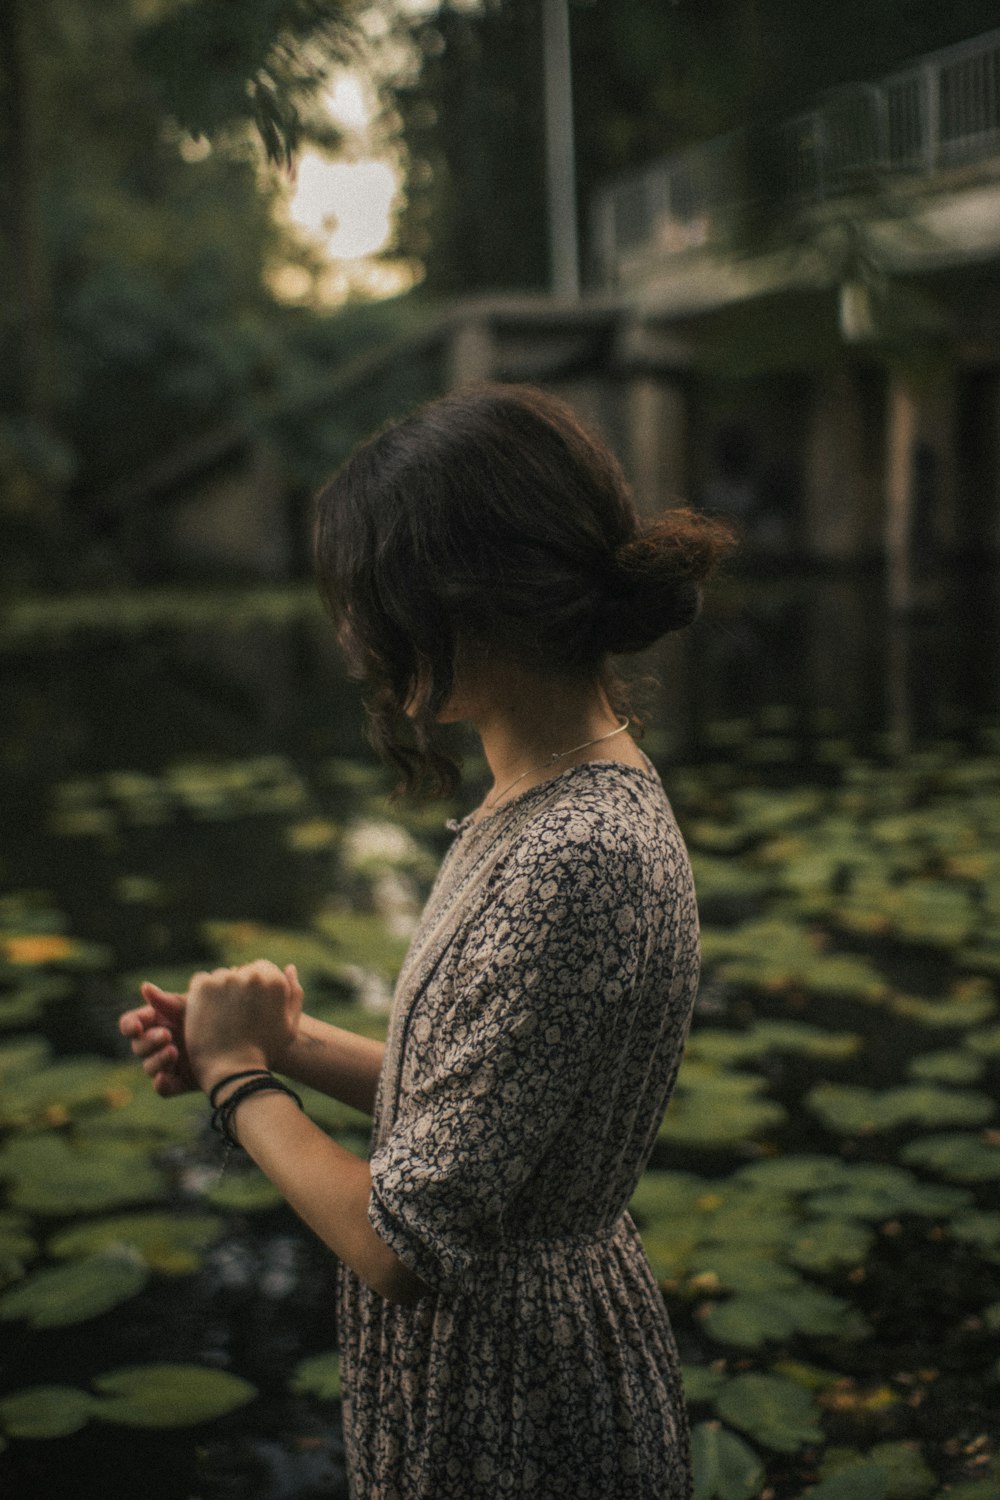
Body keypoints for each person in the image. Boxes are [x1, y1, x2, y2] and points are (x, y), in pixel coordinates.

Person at [119, 383, 734, 1500]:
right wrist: (294, 1044)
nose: (356, 635)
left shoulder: (575, 852)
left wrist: (235, 1081)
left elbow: (399, 1242)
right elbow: (484, 1112)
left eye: (375, 598)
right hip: (493, 1357)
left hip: (517, 1399)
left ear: (475, 594)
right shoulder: (535, 802)